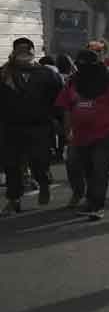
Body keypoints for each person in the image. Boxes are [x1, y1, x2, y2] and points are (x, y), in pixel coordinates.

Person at [56, 49, 109, 218]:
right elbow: (66, 107)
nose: (84, 69)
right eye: (80, 66)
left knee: (100, 168)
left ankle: (97, 205)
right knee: (79, 166)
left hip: (105, 133)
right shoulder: (72, 82)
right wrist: (67, 130)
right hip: (79, 135)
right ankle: (86, 197)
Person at [1, 38, 63, 214]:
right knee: (12, 166)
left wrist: (60, 122)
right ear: (13, 52)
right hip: (11, 127)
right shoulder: (4, 73)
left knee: (39, 163)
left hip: (39, 127)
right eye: (19, 49)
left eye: (26, 49)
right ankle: (14, 199)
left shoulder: (47, 74)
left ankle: (43, 185)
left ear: (32, 51)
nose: (23, 52)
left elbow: (59, 100)